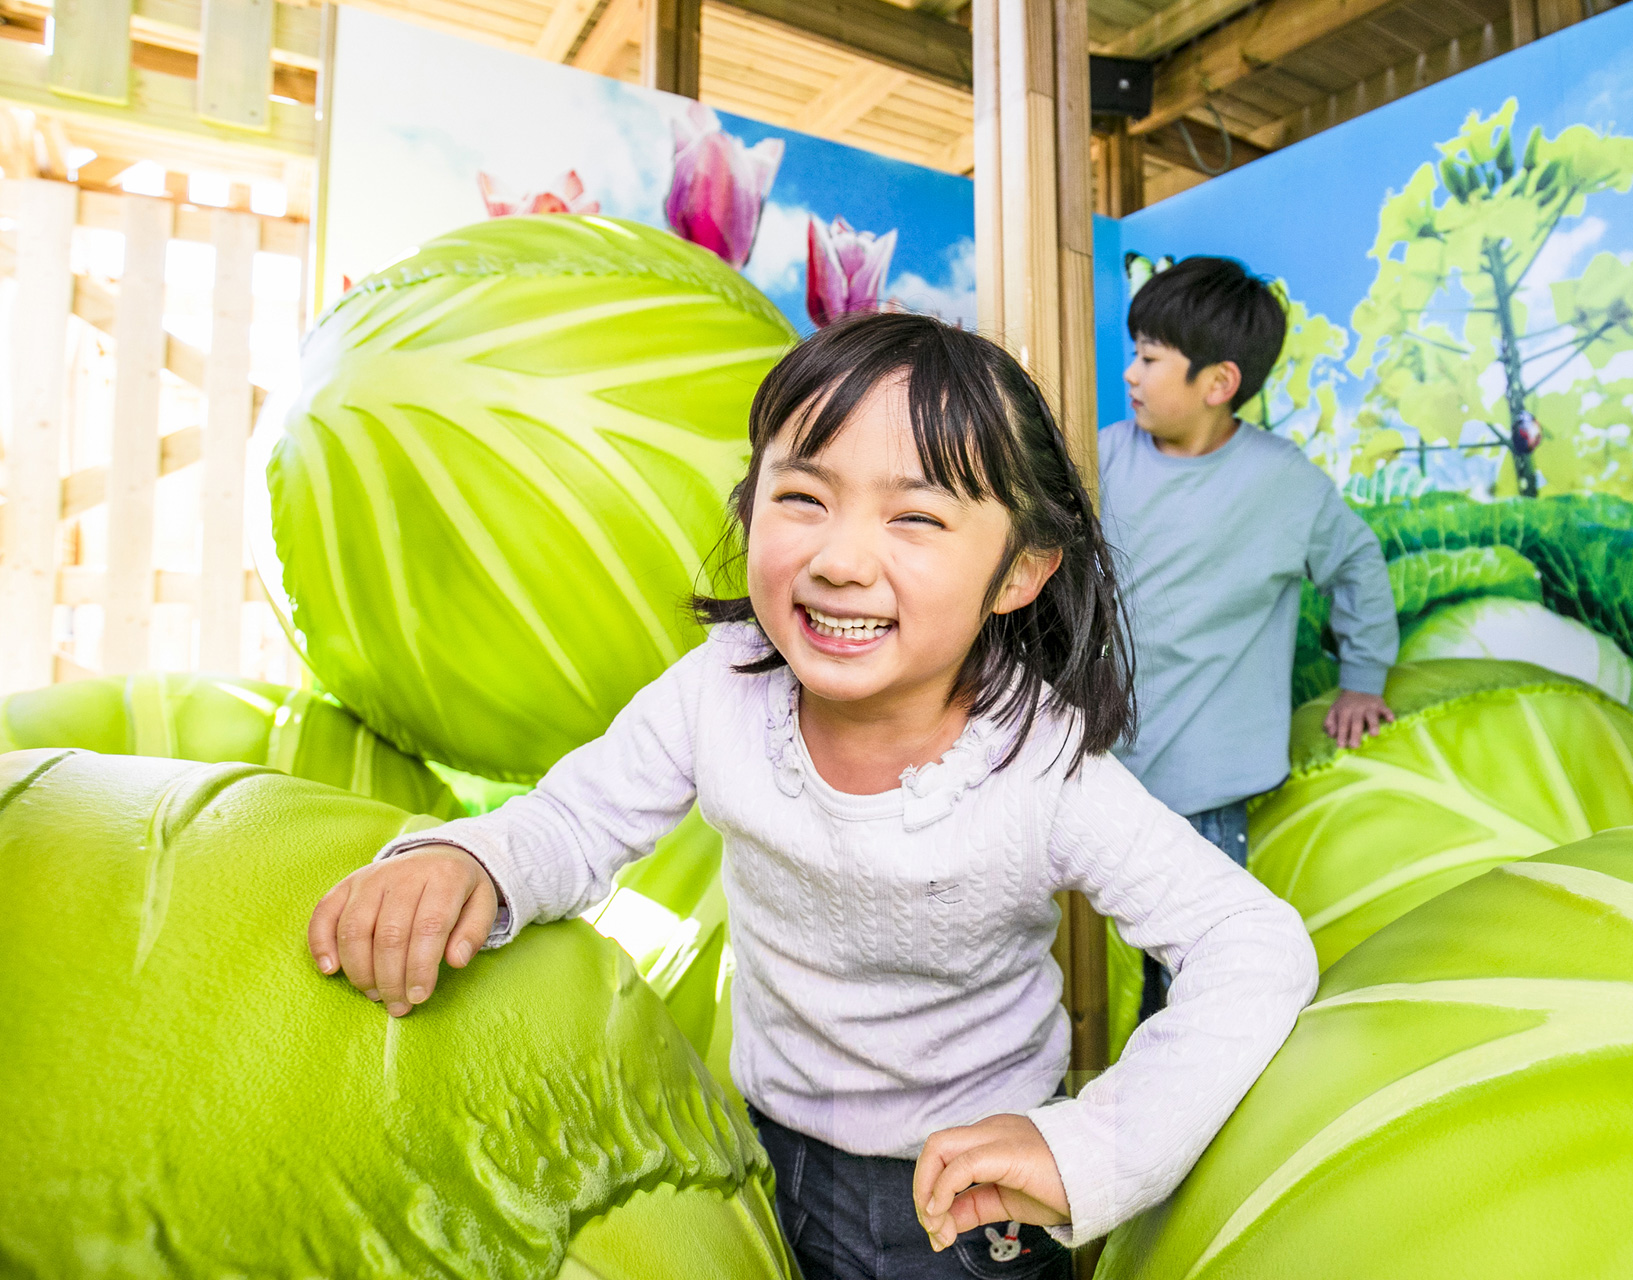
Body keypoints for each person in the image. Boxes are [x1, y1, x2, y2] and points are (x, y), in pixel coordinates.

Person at [305, 313, 1319, 1280]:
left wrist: (1093, 1148)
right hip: (763, 1144)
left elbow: (1253, 943)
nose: (838, 559)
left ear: (1020, 569)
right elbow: (574, 820)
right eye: (802, 497)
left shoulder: (1041, 767)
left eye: (916, 515)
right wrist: (469, 859)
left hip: (971, 1191)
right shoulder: (721, 687)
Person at [1101, 256, 1400, 1018]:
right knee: (1103, 976)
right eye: (1134, 352)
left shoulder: (1285, 482)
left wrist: (1363, 677)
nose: (1129, 372)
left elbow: (1358, 566)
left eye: (1148, 357)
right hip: (1101, 774)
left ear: (1217, 382)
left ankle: (1196, 1130)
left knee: (1199, 981)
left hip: (1209, 788)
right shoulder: (1100, 457)